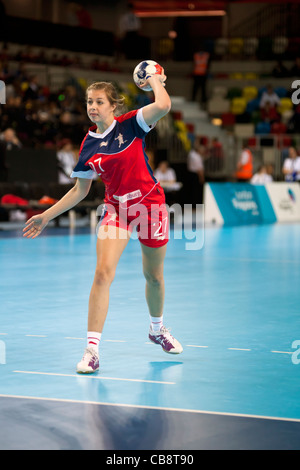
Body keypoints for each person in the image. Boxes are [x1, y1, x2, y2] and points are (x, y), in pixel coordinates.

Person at [23, 72, 183, 374]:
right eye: (89, 101)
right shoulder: (88, 146)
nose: (92, 106)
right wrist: (46, 216)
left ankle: (156, 329)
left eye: (99, 101)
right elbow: (79, 191)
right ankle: (92, 350)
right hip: (117, 209)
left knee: (154, 277)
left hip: (149, 205)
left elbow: (163, 105)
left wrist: (155, 78)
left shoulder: (132, 124)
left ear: (114, 107)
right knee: (102, 274)